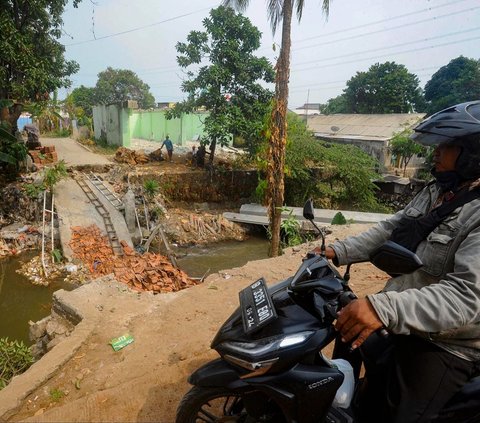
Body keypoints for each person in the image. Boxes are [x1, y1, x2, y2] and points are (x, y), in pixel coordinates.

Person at [321, 101, 480, 423]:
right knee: (370, 393)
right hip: (407, 323)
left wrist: (382, 308)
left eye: (447, 145)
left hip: (447, 346)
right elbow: (391, 230)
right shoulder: (440, 191)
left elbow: (466, 296)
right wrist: (337, 252)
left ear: (473, 153)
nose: (436, 152)